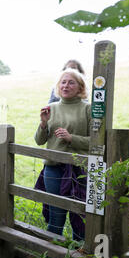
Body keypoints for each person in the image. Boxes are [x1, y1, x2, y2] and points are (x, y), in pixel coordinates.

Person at [34, 68, 90, 241]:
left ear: (80, 87)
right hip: (53, 169)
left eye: (71, 82)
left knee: (79, 217)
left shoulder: (88, 109)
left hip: (78, 170)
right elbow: (39, 141)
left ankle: (77, 257)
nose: (66, 86)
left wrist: (71, 138)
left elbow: (97, 143)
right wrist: (43, 123)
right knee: (55, 216)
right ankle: (52, 256)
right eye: (63, 82)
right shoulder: (51, 108)